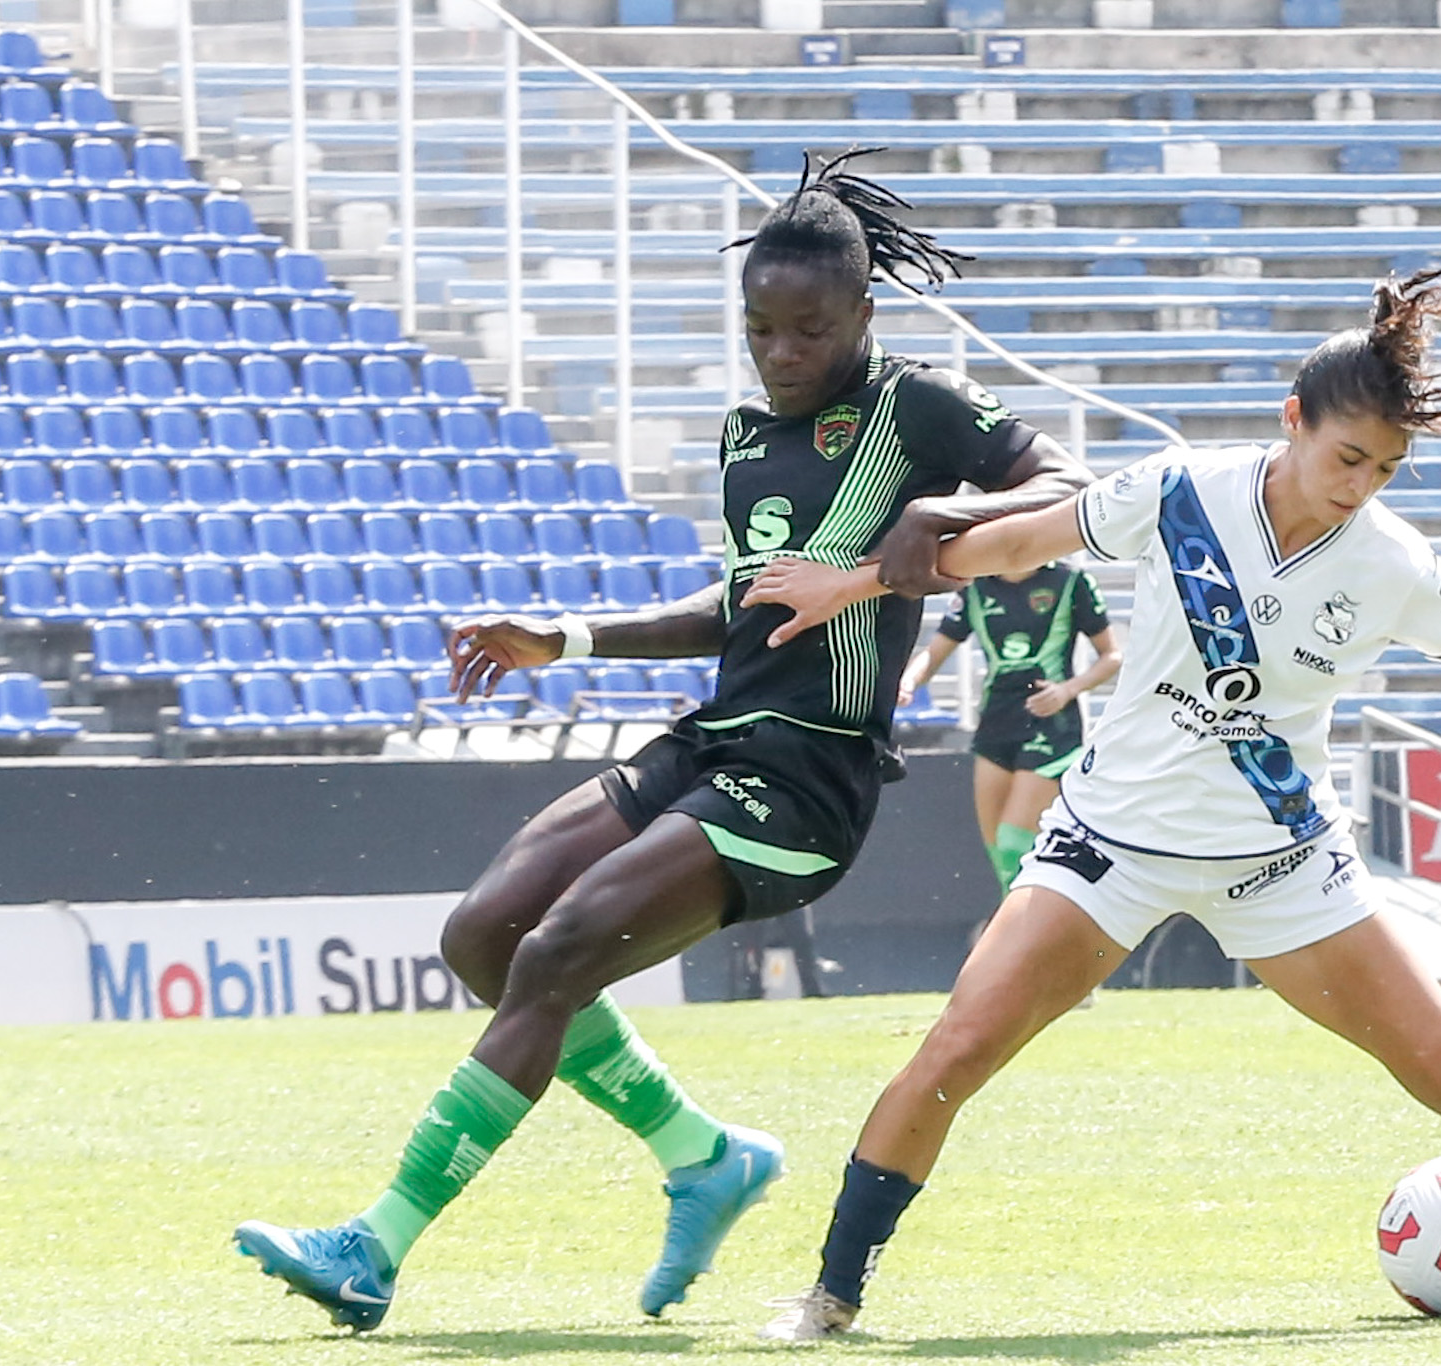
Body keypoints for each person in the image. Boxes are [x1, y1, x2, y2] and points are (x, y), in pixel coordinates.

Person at [738, 243, 1441, 1340]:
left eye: (1382, 469)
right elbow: (1010, 544)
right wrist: (851, 580)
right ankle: (830, 1293)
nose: (1358, 486)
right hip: (1109, 843)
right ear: (1292, 419)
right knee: (953, 1052)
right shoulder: (1179, 491)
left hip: (1281, 861)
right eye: (1346, 457)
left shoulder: (1389, 561)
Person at [230, 148, 1090, 1333]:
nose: (781, 355)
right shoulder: (747, 438)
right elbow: (741, 607)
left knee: (561, 948)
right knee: (485, 934)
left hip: (808, 779)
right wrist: (565, 639)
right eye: (761, 329)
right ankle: (704, 1157)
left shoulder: (914, 410)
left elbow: (1076, 488)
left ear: (862, 316)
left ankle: (372, 1247)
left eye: (809, 330)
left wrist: (949, 509)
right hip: (714, 738)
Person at [899, 563, 1121, 894]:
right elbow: (935, 652)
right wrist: (908, 682)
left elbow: (1111, 656)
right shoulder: (974, 587)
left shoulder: (1070, 582)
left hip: (1051, 724)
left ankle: (1037, 935)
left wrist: (1067, 690)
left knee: (1013, 844)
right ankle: (1025, 935)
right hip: (995, 723)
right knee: (1001, 859)